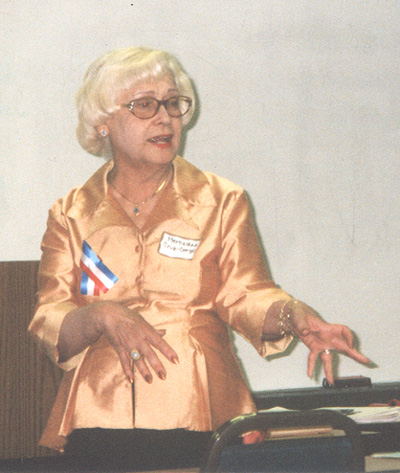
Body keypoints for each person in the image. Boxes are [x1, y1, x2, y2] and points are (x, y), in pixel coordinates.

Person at [28, 46, 369, 471]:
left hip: (201, 409)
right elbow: (49, 316)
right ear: (103, 123)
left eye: (173, 103)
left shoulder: (221, 201)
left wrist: (293, 314)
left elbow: (246, 295)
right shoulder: (71, 213)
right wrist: (100, 315)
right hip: (100, 415)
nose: (165, 118)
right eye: (145, 105)